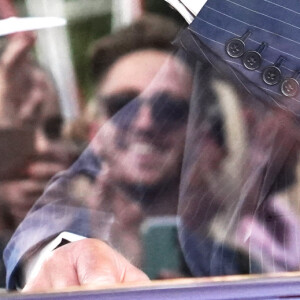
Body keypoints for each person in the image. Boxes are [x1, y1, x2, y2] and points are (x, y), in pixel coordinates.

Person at [6, 0, 300, 293]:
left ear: (195, 132)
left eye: (168, 109)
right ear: (95, 127)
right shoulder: (49, 224)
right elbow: (27, 250)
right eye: (124, 106)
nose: (145, 123)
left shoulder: (235, 264)